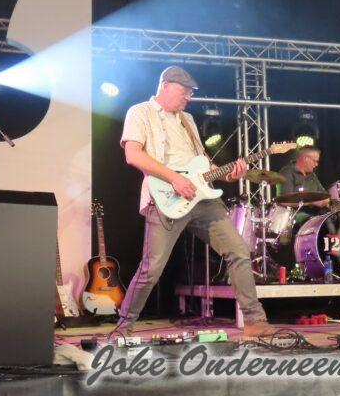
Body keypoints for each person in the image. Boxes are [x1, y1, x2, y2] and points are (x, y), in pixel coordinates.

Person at [114, 66, 271, 338]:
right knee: (152, 269)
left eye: (190, 92)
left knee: (239, 251)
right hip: (164, 197)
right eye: (183, 91)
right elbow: (133, 155)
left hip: (201, 199)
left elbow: (202, 162)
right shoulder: (140, 112)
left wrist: (228, 173)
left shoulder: (187, 119)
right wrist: (174, 178)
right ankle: (124, 326)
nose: (188, 97)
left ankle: (255, 322)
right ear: (165, 85)